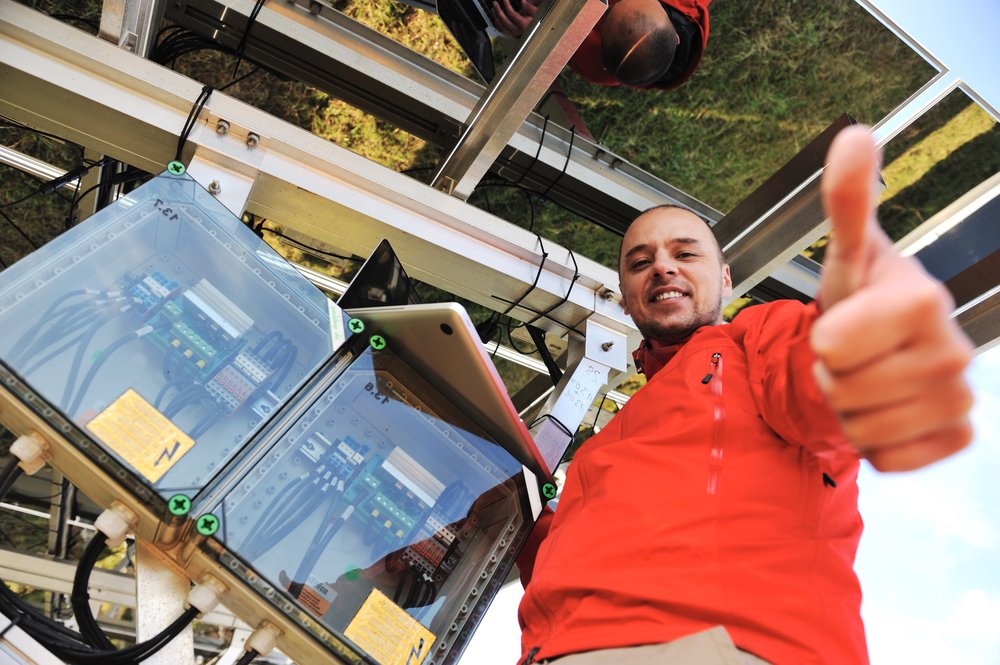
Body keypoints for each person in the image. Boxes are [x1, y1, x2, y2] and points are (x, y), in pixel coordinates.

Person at [514, 125, 975, 664]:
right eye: (640, 263)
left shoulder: (757, 338)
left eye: (686, 254)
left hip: (717, 647)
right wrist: (506, 507)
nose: (662, 265)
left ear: (727, 280)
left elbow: (814, 381)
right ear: (625, 299)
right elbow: (567, 554)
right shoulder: (611, 439)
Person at [492, 0, 711, 89]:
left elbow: (557, 40)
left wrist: (538, 31)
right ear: (675, 37)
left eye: (607, 10)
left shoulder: (600, 68)